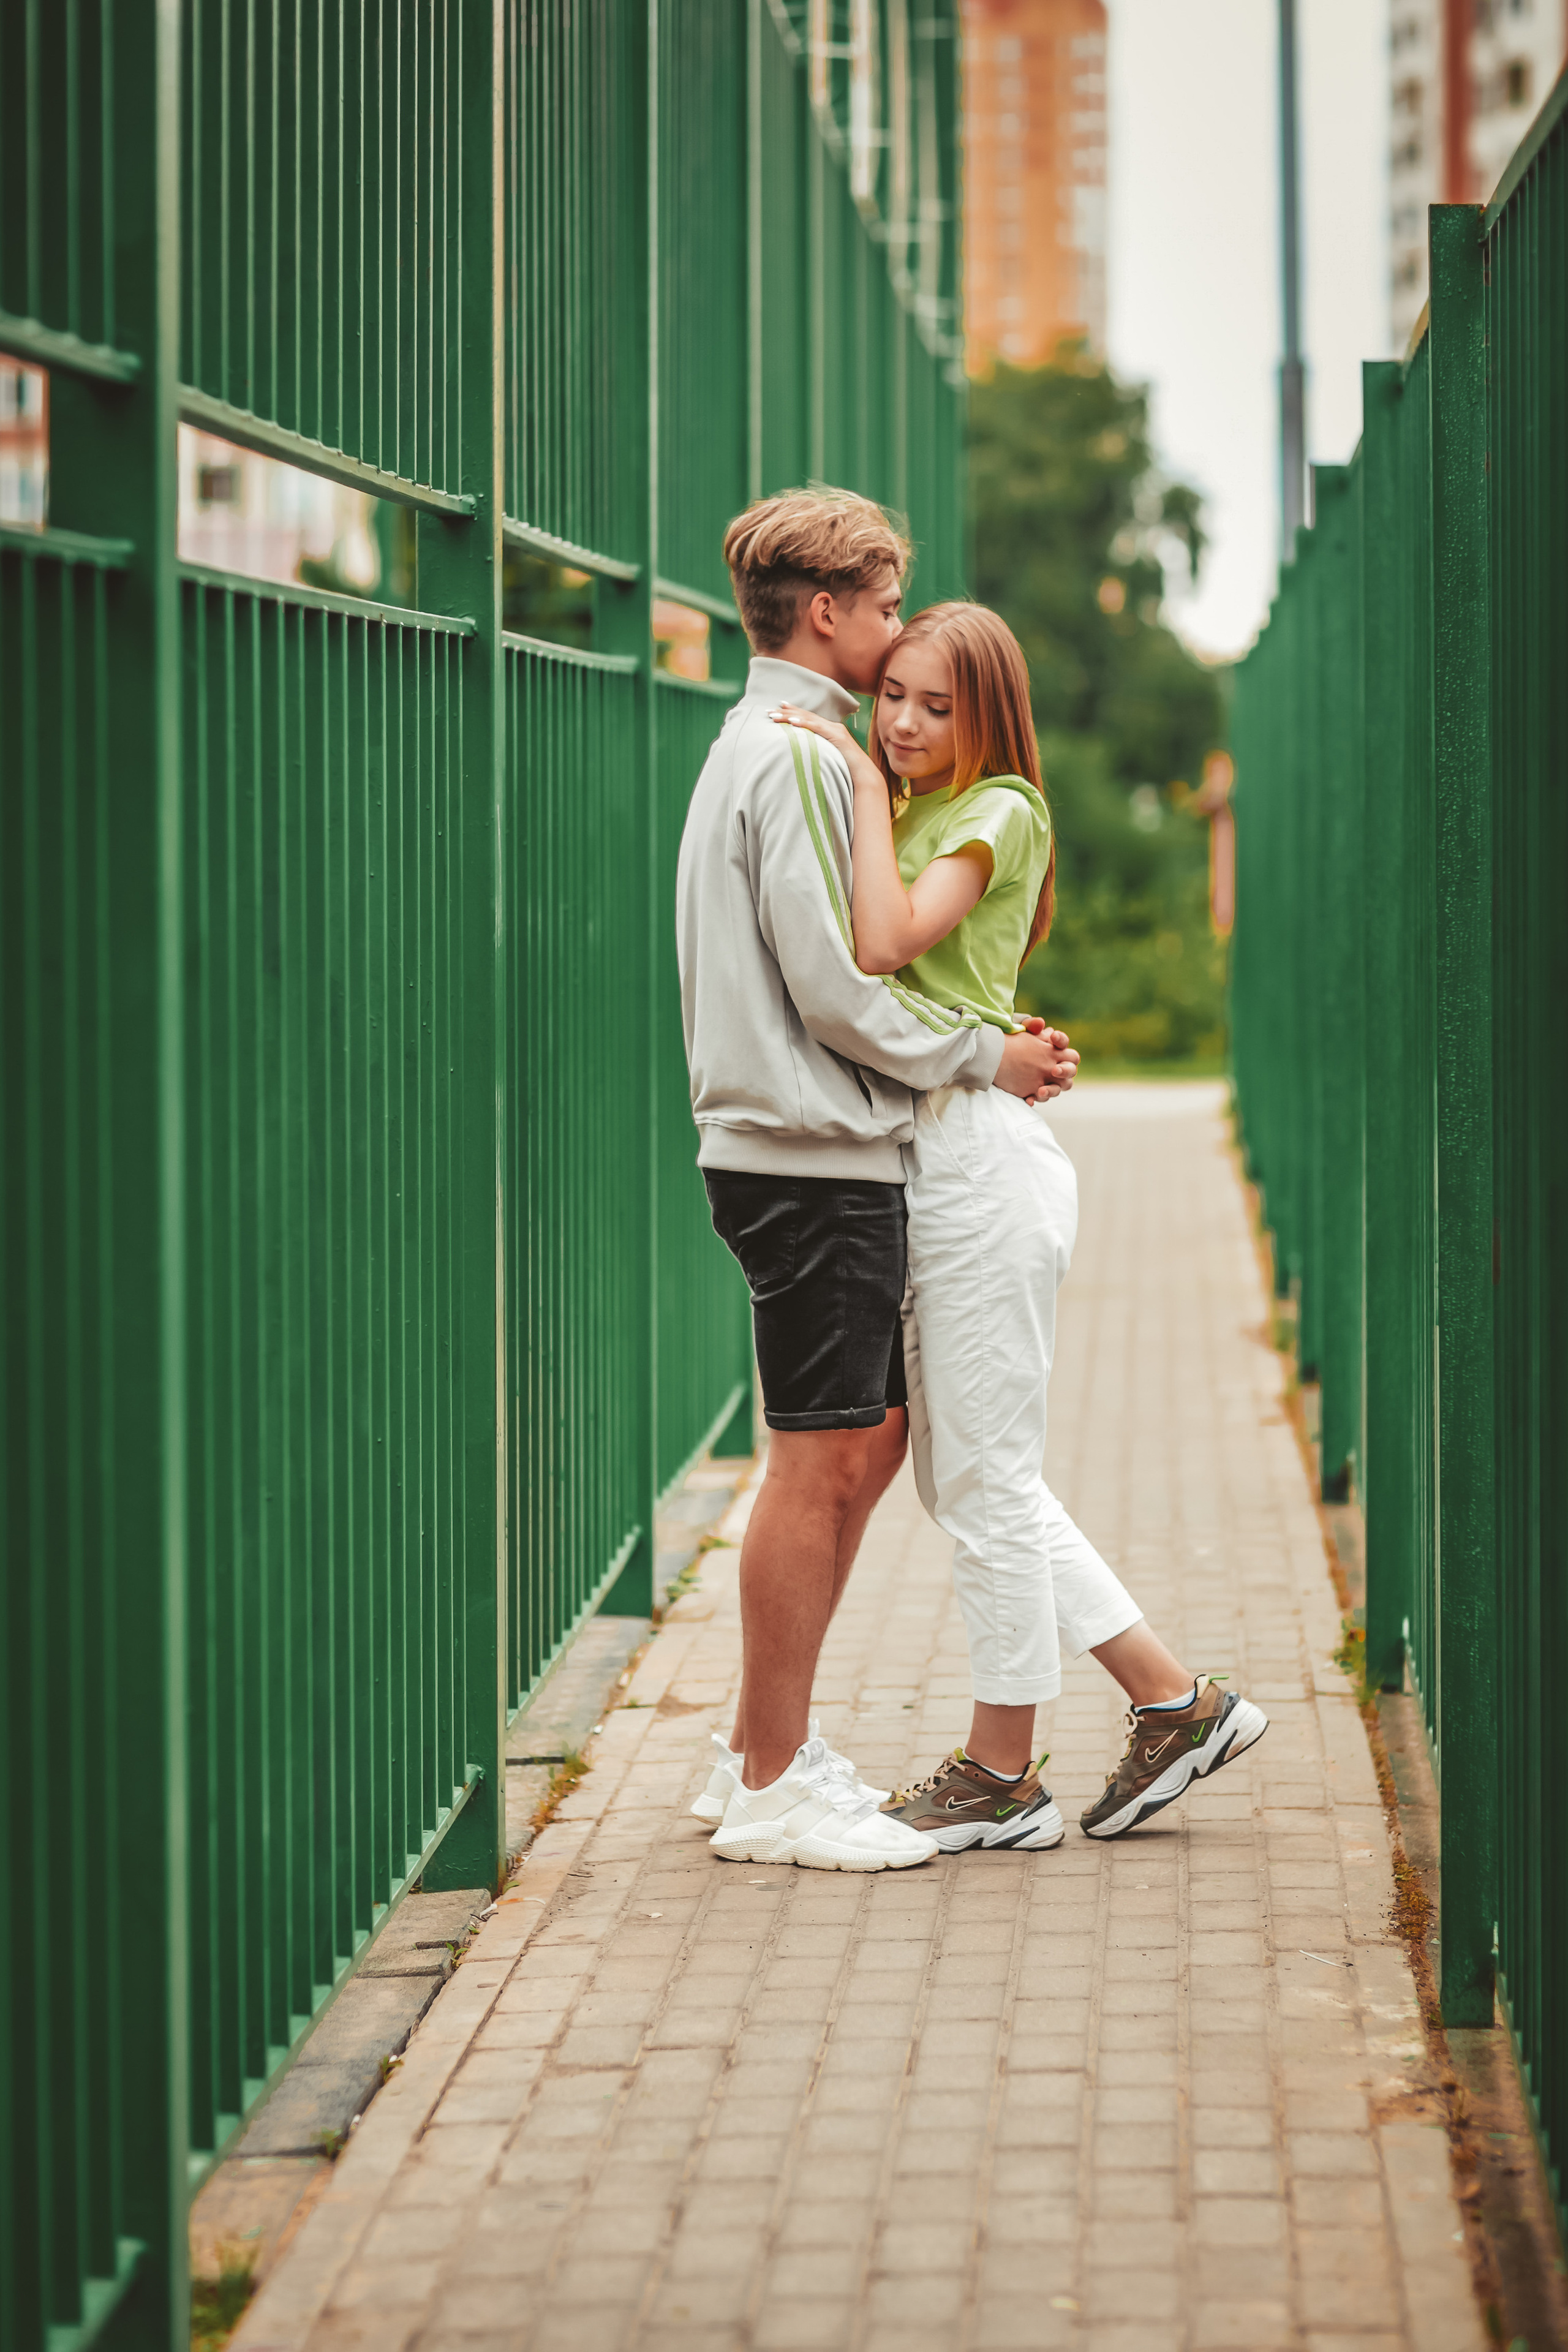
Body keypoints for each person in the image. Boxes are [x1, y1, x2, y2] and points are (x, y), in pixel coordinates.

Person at [770, 601, 1268, 1847]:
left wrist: (846, 778)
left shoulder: (998, 810)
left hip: (975, 1168)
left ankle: (1002, 1774)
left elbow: (884, 942)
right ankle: (1170, 1700)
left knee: (982, 1484)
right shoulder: (915, 804)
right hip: (933, 1157)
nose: (900, 725)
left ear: (987, 714)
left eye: (936, 707)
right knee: (970, 1482)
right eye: (889, 697)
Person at [675, 491, 1076, 1872]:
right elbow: (842, 990)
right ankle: (775, 1778)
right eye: (889, 606)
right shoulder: (796, 757)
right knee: (821, 1461)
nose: (901, 631)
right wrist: (980, 1057)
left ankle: (751, 1753)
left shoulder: (769, 741)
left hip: (797, 1148)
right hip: (808, 1153)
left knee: (860, 1446)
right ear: (831, 610)